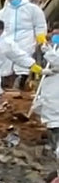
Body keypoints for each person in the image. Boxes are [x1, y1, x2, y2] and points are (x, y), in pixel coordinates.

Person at [0, 0, 47, 90]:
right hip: (8, 39)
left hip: (26, 39)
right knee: (5, 61)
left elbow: (40, 24)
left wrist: (40, 36)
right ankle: (5, 84)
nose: (15, 0)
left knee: (24, 59)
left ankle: (20, 83)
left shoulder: (32, 9)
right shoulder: (4, 12)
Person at [34, 26, 59, 157]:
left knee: (55, 115)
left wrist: (46, 50)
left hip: (56, 88)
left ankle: (56, 145)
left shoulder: (51, 51)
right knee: (50, 114)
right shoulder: (55, 48)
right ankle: (53, 143)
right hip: (51, 86)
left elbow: (57, 61)